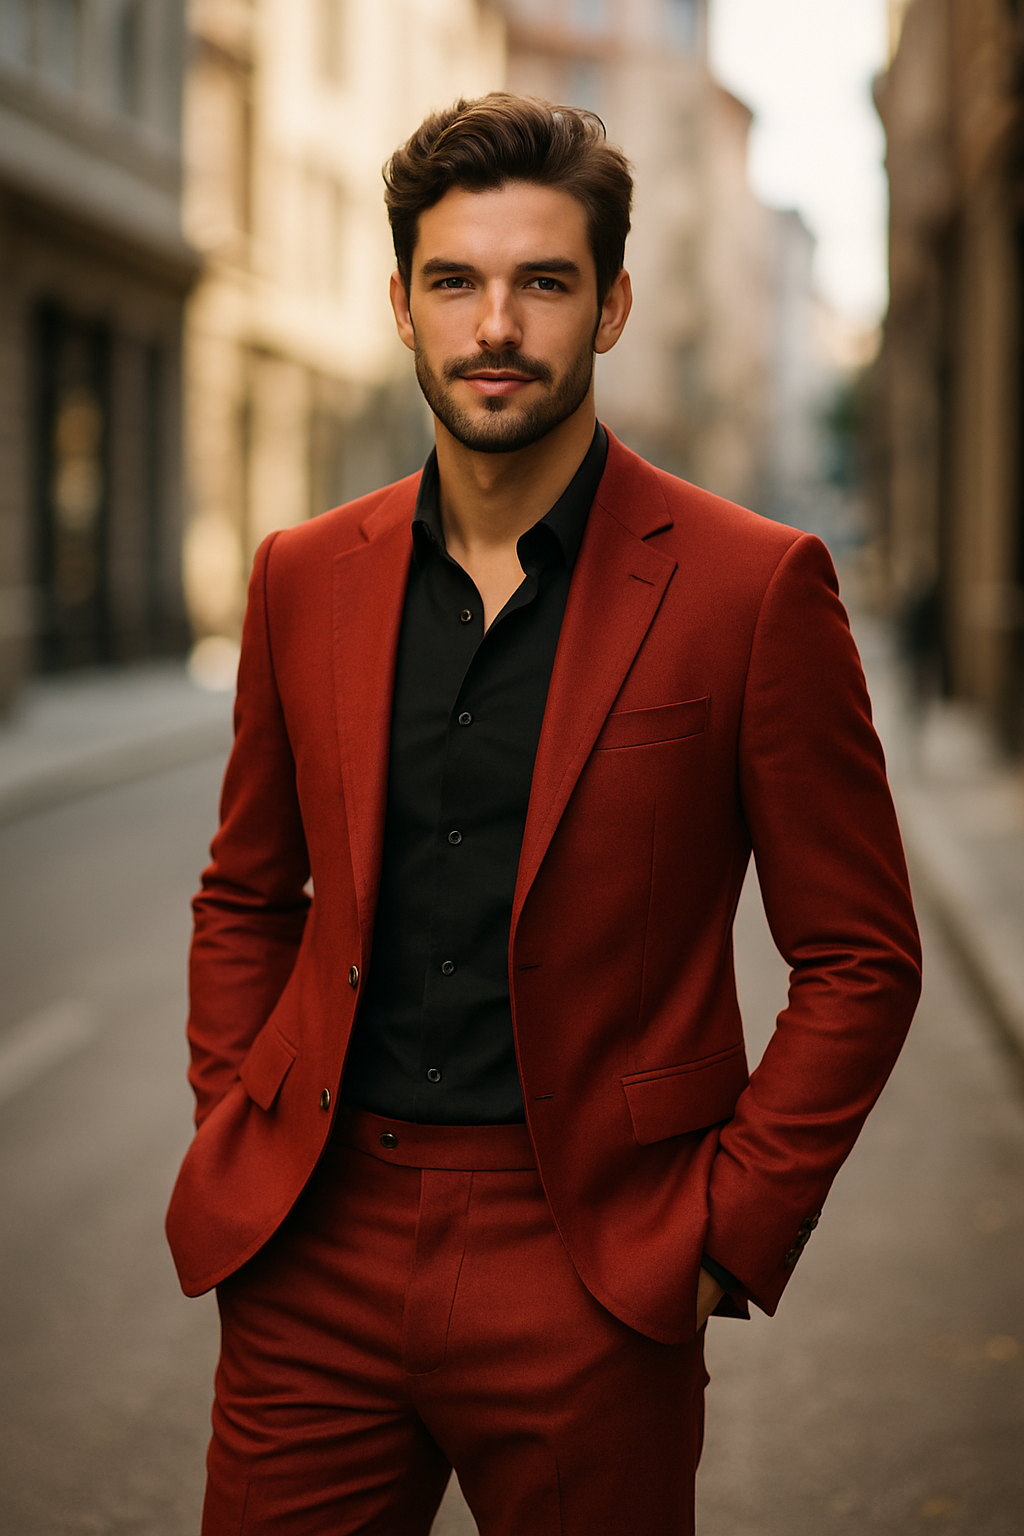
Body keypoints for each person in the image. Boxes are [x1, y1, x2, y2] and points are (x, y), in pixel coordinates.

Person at [167, 93, 921, 1535]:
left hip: (593, 1261)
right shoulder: (302, 576)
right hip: (314, 1248)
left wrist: (728, 1231)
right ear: (402, 304)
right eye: (455, 281)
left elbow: (861, 957)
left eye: (545, 283)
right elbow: (247, 896)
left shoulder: (752, 588)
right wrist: (235, 1124)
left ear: (613, 305)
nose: (496, 325)